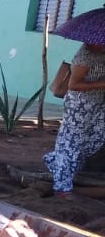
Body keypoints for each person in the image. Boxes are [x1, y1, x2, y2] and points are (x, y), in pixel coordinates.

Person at [44, 41, 105, 196]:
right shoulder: (83, 56)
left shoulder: (101, 52)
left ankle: (54, 161)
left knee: (94, 140)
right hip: (79, 105)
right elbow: (73, 85)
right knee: (71, 144)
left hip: (97, 104)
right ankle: (62, 188)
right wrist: (101, 84)